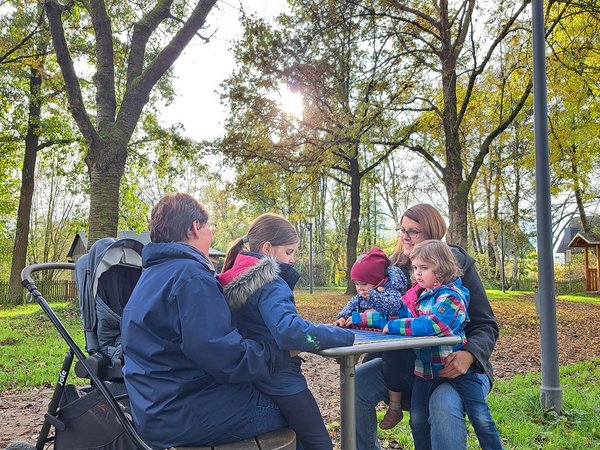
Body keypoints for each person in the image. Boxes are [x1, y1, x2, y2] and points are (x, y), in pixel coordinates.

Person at [121, 193, 292, 450]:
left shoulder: (152, 275)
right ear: (194, 227)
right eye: (209, 227)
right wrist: (279, 353)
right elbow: (226, 357)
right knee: (294, 407)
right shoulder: (190, 276)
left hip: (155, 410)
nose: (211, 234)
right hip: (188, 414)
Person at [355, 203, 500, 450]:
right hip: (404, 367)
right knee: (355, 381)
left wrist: (470, 355)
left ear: (432, 232)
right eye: (402, 229)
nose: (405, 236)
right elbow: (386, 316)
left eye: (414, 231)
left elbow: (486, 324)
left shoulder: (456, 268)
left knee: (442, 404)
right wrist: (361, 315)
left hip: (452, 366)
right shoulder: (392, 271)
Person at [218, 213, 355, 450]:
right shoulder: (270, 281)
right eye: (289, 252)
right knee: (319, 443)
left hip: (252, 373)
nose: (293, 259)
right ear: (268, 249)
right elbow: (289, 331)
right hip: (281, 377)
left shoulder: (234, 277)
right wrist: (343, 336)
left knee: (297, 439)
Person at [383, 240, 503, 449]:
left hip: (461, 371)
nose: (417, 273)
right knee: (418, 420)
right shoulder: (419, 296)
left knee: (480, 418)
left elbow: (433, 325)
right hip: (425, 372)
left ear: (440, 269)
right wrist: (359, 318)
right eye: (416, 268)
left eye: (424, 268)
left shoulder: (452, 296)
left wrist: (394, 326)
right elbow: (393, 315)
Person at [333, 247, 409, 429]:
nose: (360, 289)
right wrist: (342, 316)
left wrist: (374, 297)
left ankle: (395, 405)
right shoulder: (365, 291)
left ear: (378, 281)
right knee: (359, 371)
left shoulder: (389, 291)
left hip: (395, 344)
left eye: (363, 284)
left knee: (391, 367)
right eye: (357, 284)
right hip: (374, 340)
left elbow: (393, 307)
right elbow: (352, 304)